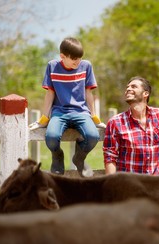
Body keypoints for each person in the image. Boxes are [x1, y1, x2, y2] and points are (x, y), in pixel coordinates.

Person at [29, 37, 105, 176]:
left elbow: (88, 92)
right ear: (62, 56)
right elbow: (50, 94)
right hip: (59, 113)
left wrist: (94, 117)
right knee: (51, 137)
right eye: (74, 58)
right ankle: (57, 156)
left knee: (92, 136)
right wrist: (44, 119)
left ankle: (79, 158)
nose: (78, 61)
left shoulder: (86, 66)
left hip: (81, 112)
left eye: (80, 58)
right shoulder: (52, 66)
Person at [103, 76, 159, 175]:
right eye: (127, 87)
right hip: (131, 183)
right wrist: (112, 186)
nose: (128, 89)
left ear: (146, 94)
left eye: (134, 86)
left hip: (157, 182)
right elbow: (110, 157)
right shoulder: (115, 122)